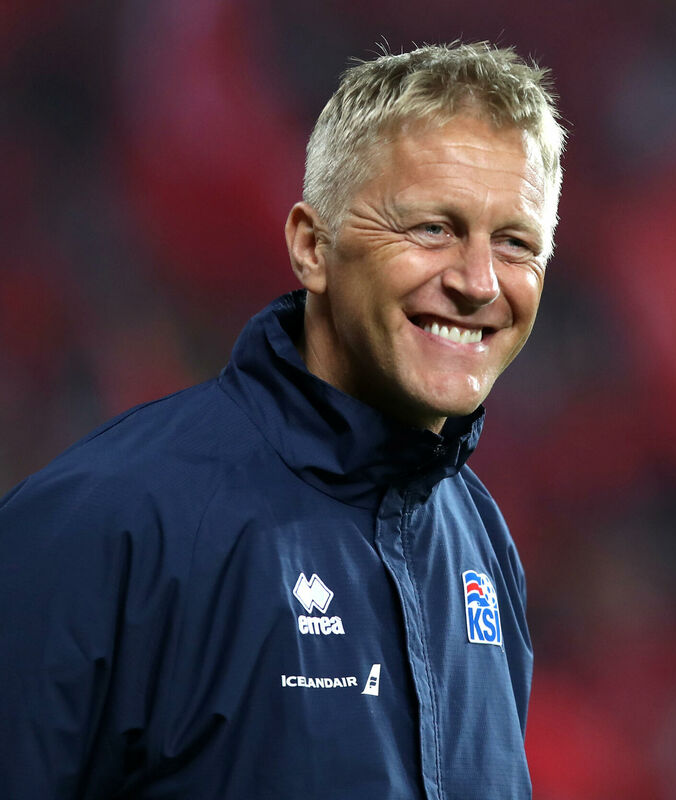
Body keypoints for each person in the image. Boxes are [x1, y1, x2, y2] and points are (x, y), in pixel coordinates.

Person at [0, 41, 564, 799]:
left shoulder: (482, 547)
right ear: (311, 248)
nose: (479, 282)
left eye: (515, 243)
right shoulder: (103, 525)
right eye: (432, 228)